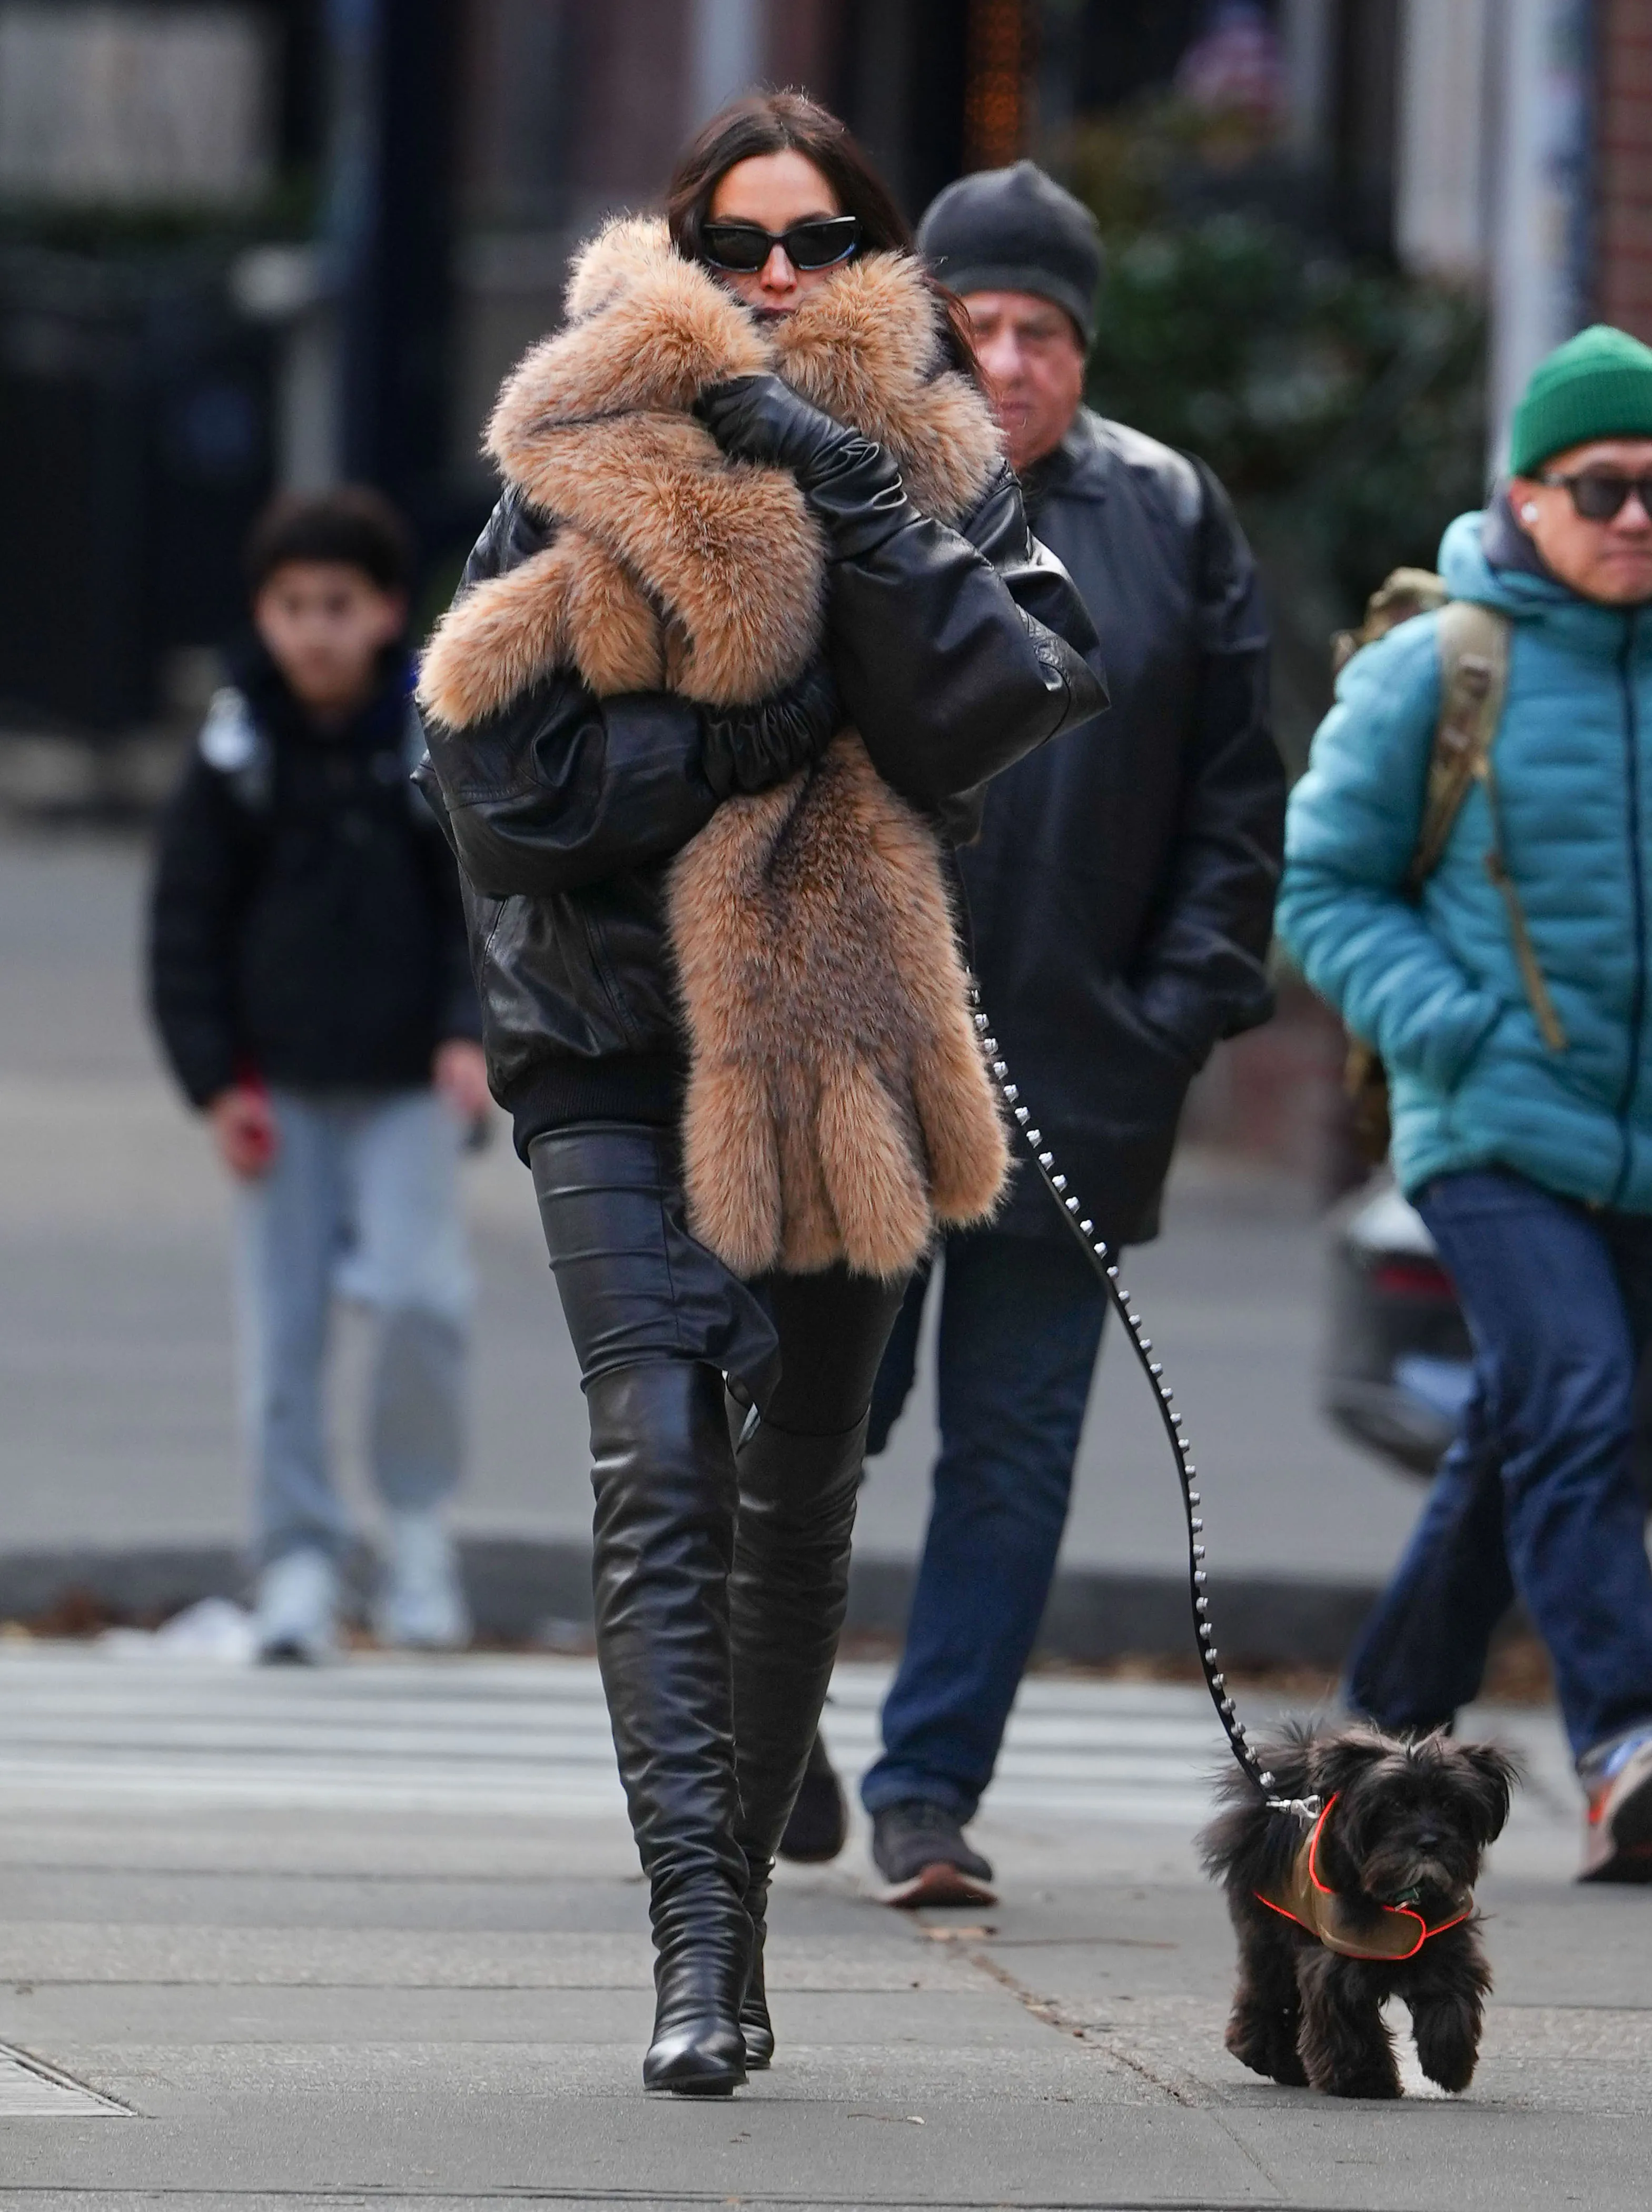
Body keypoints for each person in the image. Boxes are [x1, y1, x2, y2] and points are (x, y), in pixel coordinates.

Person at [414, 95, 1104, 2097]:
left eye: (814, 243)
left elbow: (1000, 699)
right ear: (686, 252)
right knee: (656, 1461)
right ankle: (698, 1954)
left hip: (839, 1037)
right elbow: (490, 785)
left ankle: (739, 1887)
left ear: (876, 258)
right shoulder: (575, 436)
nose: (774, 280)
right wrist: (728, 752)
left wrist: (851, 498)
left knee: (798, 1491)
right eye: (738, 243)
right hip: (605, 1037)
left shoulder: (940, 463)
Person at [780, 160, 1282, 1903]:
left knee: (1016, 1450)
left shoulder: (1169, 510)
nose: (1007, 358)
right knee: (824, 1425)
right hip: (872, 1057)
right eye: (975, 324)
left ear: (1082, 346)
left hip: (1081, 1076)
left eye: (1041, 330)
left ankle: (931, 1794)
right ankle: (774, 1729)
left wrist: (1170, 1013)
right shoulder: (845, 480)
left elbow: (1236, 795)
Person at [1278, 324, 1652, 1883]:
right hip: (1488, 1133)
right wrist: (1448, 1026)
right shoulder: (1439, 667)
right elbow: (1322, 889)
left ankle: (1367, 1749)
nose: (1637, 518)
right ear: (1529, 494)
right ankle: (1623, 1742)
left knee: (1519, 1438)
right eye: (1602, 487)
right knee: (1581, 1400)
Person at [150, 489, 488, 1663]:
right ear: (264, 613)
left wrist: (469, 1031)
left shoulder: (425, 737)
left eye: (339, 606)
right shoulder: (235, 749)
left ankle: (415, 1533)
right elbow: (184, 927)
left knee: (419, 1305)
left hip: (406, 1084)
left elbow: (478, 903)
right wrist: (213, 1083)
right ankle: (295, 1555)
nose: (315, 632)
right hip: (276, 1089)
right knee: (283, 1338)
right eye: (293, 608)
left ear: (389, 610)